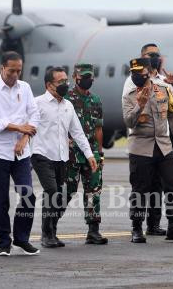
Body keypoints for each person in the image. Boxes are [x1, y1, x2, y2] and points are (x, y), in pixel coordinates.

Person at [123, 43, 173, 236]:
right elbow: (128, 121)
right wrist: (140, 105)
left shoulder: (164, 88)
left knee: (172, 186)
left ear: (148, 71)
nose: (138, 75)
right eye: (134, 72)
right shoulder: (129, 94)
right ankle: (137, 228)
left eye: (141, 71)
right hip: (140, 149)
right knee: (140, 190)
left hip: (163, 147)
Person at [31, 67, 98, 248]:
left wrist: (89, 155)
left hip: (61, 157)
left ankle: (52, 231)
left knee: (60, 196)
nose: (65, 84)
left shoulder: (68, 105)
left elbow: (77, 133)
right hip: (41, 155)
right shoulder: (37, 103)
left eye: (65, 81)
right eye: (60, 82)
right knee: (51, 192)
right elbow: (27, 127)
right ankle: (46, 235)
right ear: (49, 85)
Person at [0, 51, 40, 256]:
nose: (15, 74)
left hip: (22, 152)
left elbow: (34, 114)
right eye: (11, 71)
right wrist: (19, 128)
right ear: (2, 69)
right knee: (0, 199)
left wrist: (25, 137)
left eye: (19, 70)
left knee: (27, 194)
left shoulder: (25, 88)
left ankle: (22, 238)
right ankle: (3, 241)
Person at [61, 63, 108, 245]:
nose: (87, 80)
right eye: (84, 77)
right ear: (75, 77)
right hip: (71, 153)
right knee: (67, 191)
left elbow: (98, 128)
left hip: (91, 153)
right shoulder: (66, 98)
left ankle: (93, 230)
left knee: (94, 191)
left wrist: (100, 153)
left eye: (90, 77)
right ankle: (50, 227)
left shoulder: (96, 100)